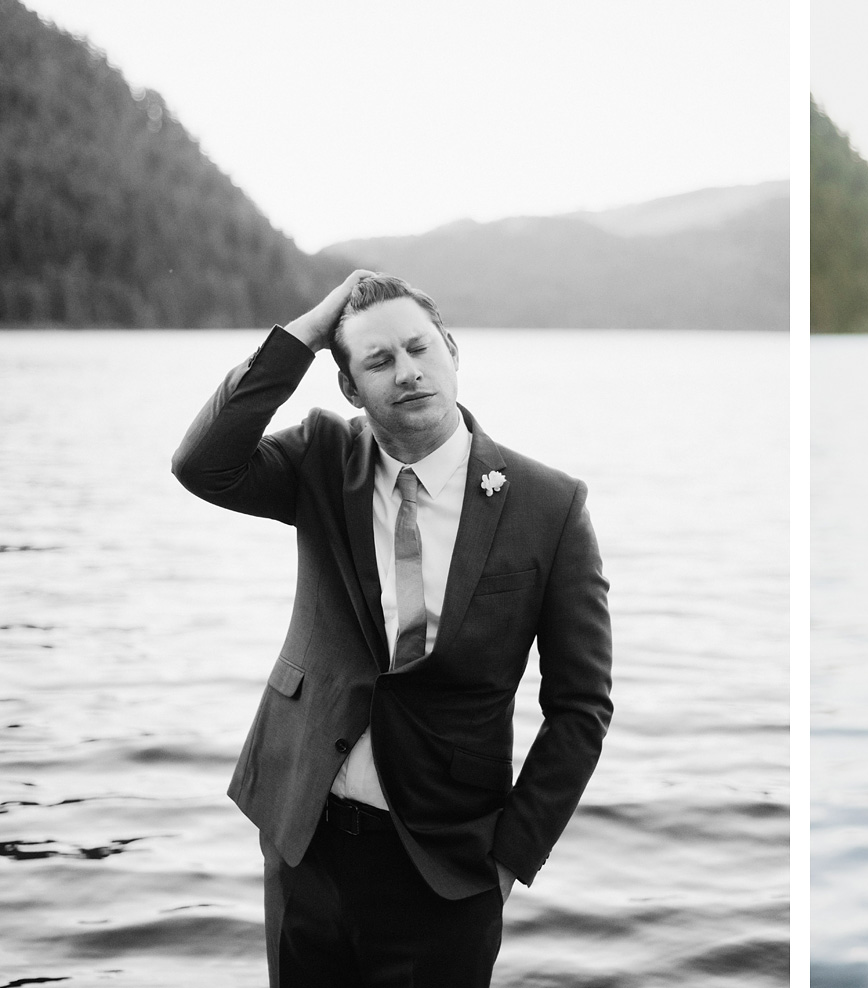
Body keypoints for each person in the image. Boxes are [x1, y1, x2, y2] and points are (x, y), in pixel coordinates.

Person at [172, 271, 614, 987]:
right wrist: (307, 333)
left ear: (451, 349)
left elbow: (581, 706)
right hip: (303, 842)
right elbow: (203, 464)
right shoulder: (321, 458)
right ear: (350, 387)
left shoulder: (549, 506)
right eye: (379, 360)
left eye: (419, 348)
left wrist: (508, 862)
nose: (407, 371)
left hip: (447, 869)